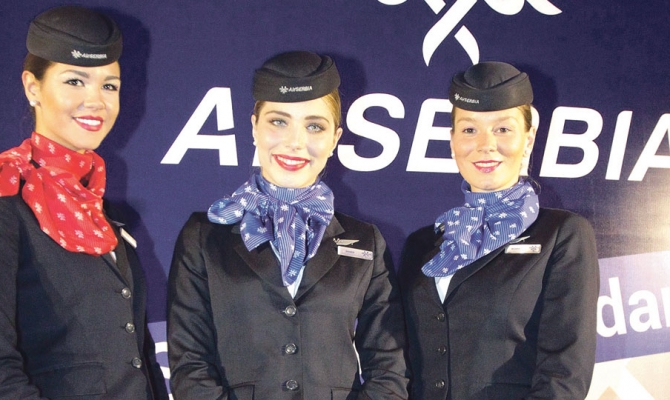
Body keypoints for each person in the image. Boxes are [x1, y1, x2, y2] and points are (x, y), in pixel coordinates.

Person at [167, 50, 409, 399]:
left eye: (314, 126)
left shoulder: (366, 241)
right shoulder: (204, 235)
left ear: (335, 139)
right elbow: (190, 363)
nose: (295, 142)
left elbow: (388, 367)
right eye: (279, 122)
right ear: (254, 126)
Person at [400, 62, 599, 400]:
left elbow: (564, 374)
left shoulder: (561, 235)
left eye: (503, 129)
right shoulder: (423, 243)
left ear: (528, 138)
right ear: (452, 141)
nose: (485, 145)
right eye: (469, 129)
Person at [0, 6, 168, 399]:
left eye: (110, 86)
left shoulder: (100, 211)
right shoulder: (7, 198)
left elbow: (138, 358)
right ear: (33, 87)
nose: (96, 101)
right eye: (75, 81)